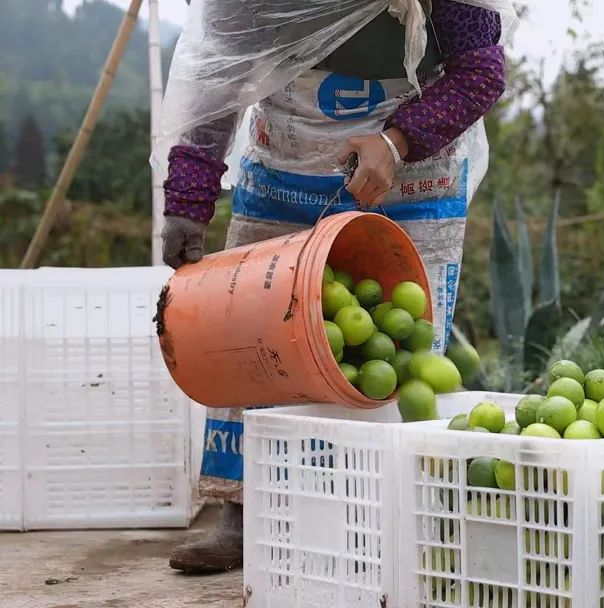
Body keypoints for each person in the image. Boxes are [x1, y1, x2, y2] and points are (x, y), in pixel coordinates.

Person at [159, 0, 514, 573]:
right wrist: (187, 201)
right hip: (285, 163)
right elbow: (218, 77)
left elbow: (480, 72)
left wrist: (397, 142)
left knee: (400, 352)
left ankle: (384, 517)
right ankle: (244, 514)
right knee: (249, 335)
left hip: (414, 174)